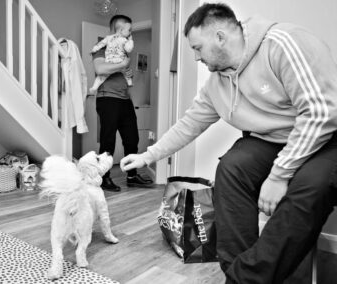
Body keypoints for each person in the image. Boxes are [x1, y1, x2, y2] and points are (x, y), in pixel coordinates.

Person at [120, 3, 337, 283]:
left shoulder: (282, 44)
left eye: (197, 48)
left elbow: (321, 113)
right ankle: (239, 273)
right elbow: (189, 124)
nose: (196, 57)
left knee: (308, 187)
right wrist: (148, 156)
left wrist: (279, 174)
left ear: (220, 37)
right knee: (231, 169)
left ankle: (243, 280)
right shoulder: (217, 83)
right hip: (272, 141)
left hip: (327, 138)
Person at [92, 14, 154, 192]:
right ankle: (104, 178)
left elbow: (127, 73)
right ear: (118, 29)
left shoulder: (125, 50)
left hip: (125, 100)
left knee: (132, 139)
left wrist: (126, 67)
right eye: (129, 30)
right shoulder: (102, 46)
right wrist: (123, 64)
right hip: (107, 98)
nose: (130, 34)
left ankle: (132, 176)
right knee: (108, 142)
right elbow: (100, 68)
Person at [89, 20, 134, 95]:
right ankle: (94, 88)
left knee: (125, 73)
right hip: (109, 95)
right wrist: (131, 41)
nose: (130, 33)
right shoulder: (124, 41)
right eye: (129, 30)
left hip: (124, 95)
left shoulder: (110, 39)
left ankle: (94, 87)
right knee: (102, 76)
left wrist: (129, 72)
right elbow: (100, 70)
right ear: (120, 30)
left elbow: (101, 43)